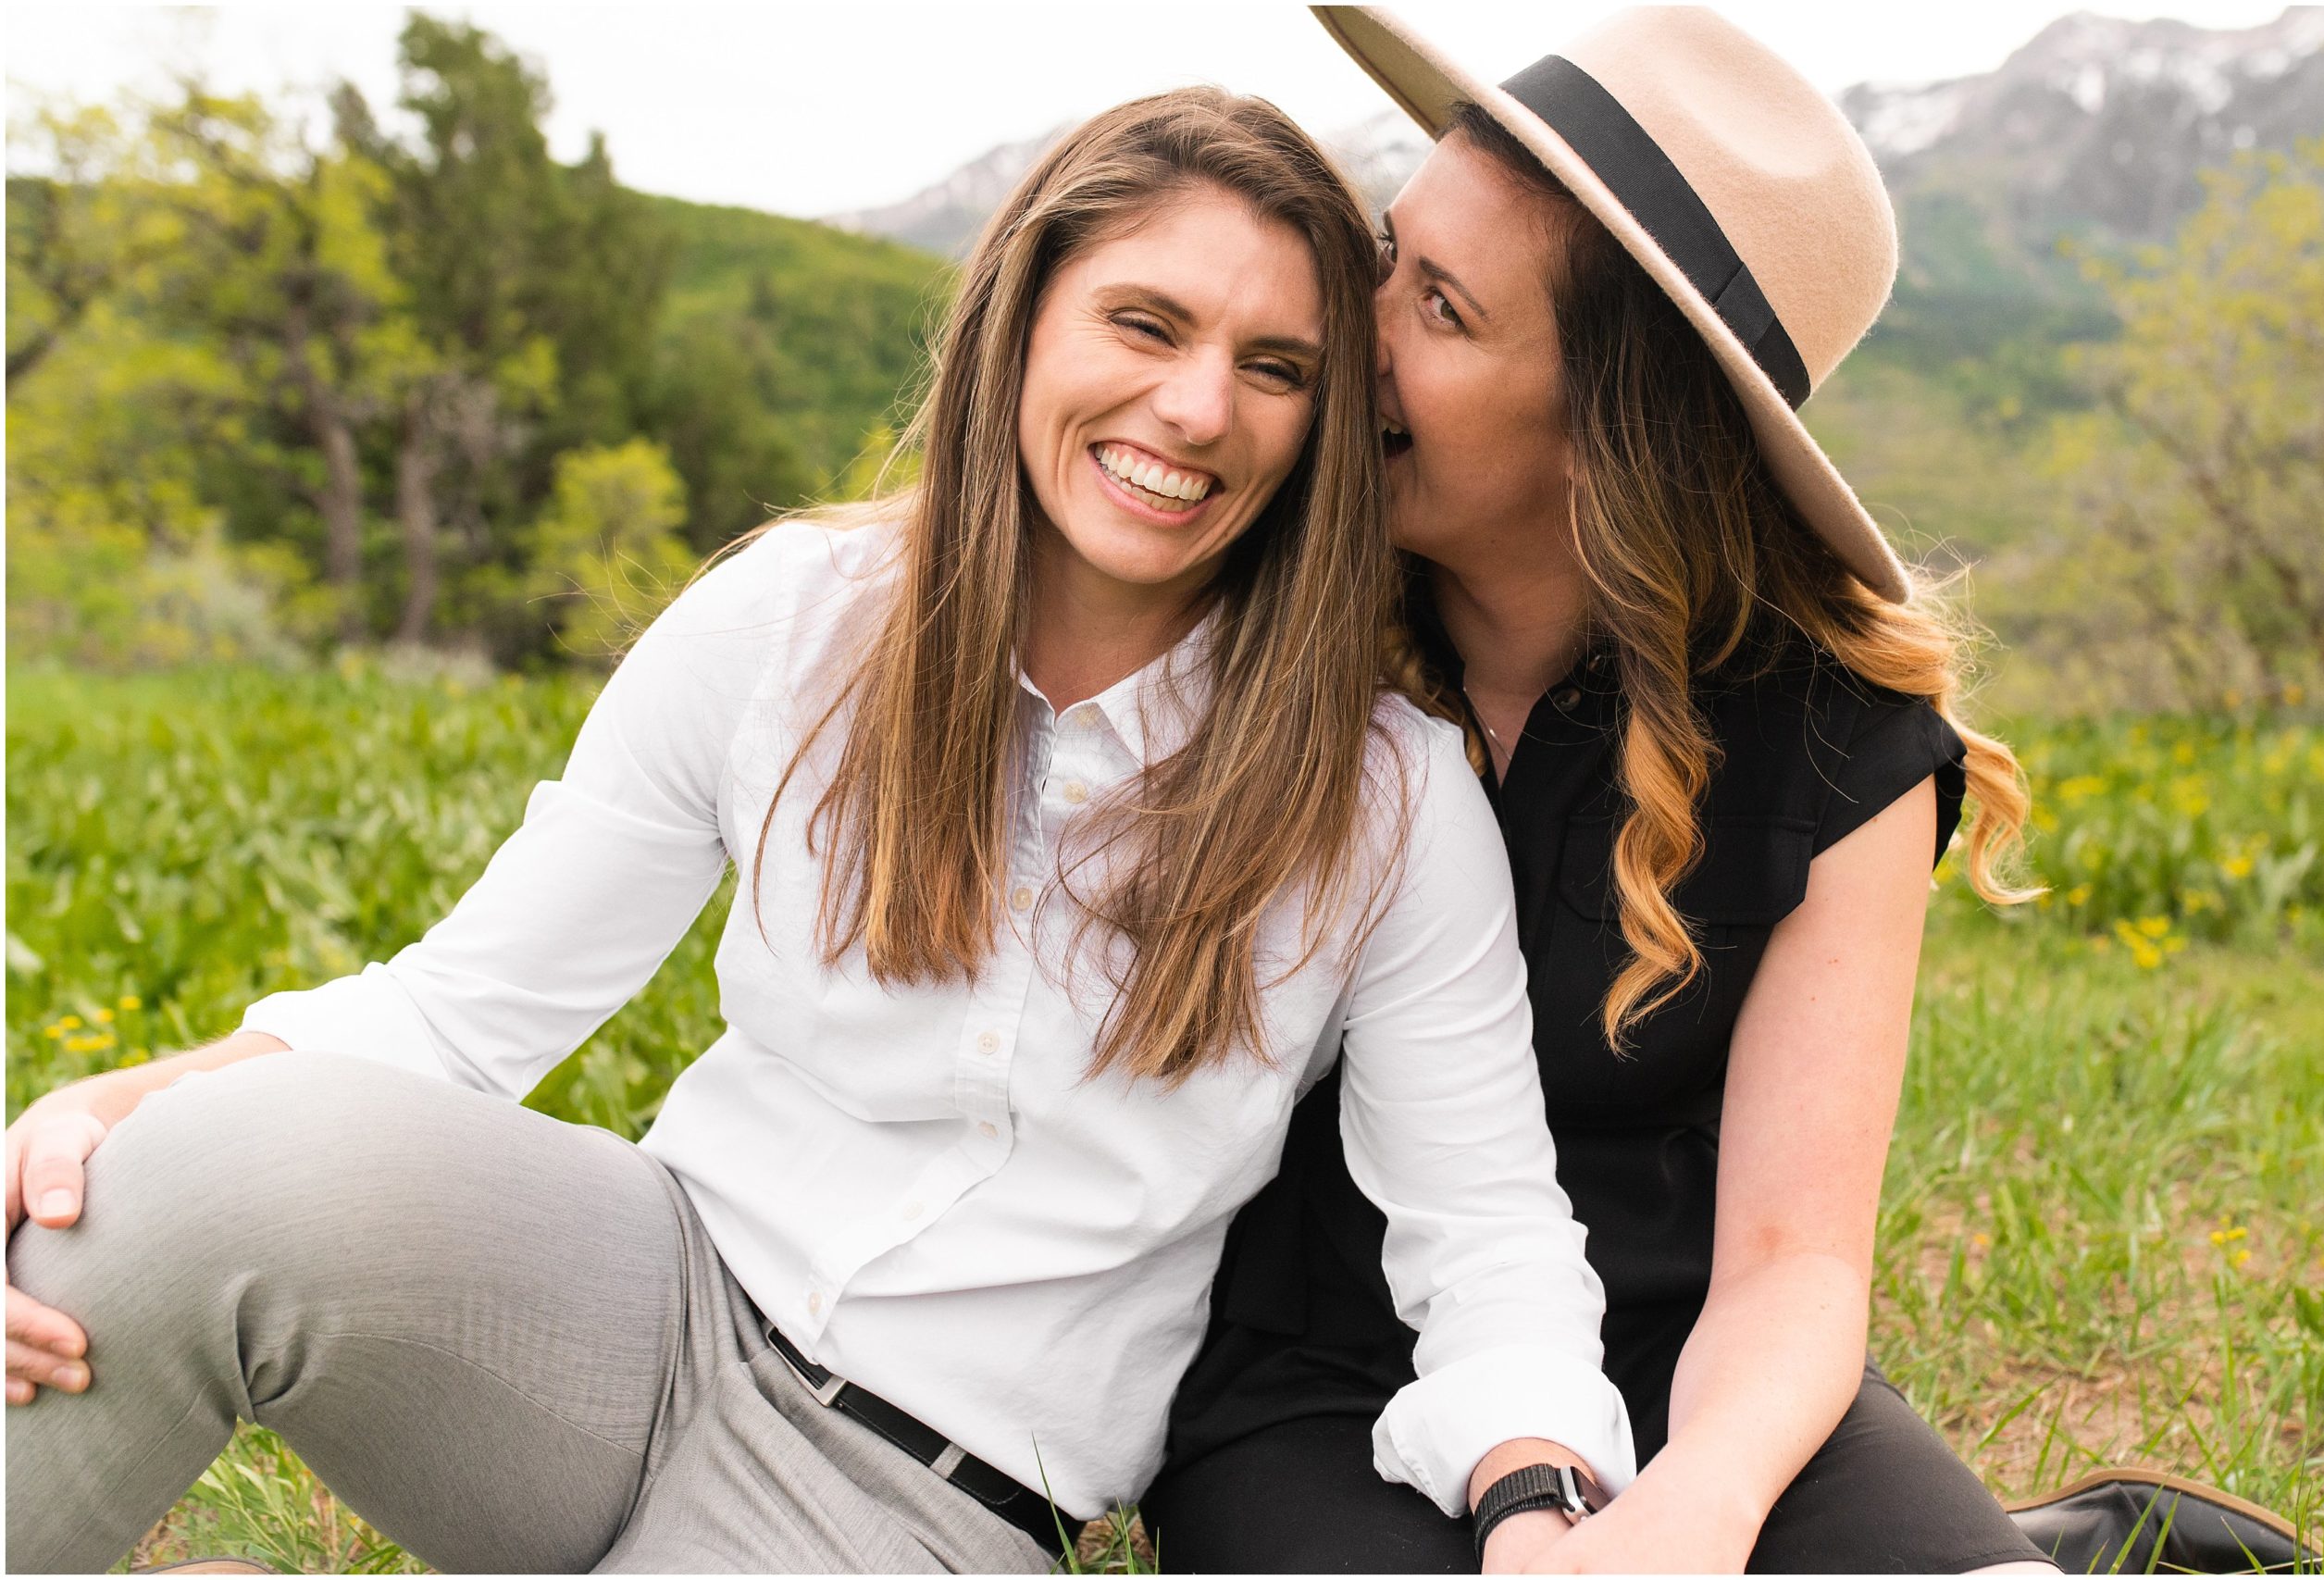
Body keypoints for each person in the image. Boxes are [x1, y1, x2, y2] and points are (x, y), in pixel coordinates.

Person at [5, 89, 1639, 1574]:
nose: (1198, 408)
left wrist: (1540, 1499)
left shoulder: (1384, 798)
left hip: (923, 1488)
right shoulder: (795, 616)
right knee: (156, 1195)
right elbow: (459, 1014)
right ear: (1022, 325)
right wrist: (103, 1114)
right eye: (1143, 323)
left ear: (1319, 426)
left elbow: (1486, 1231)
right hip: (632, 1305)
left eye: (1275, 368)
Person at [1143, 9, 2064, 1574]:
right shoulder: (1239, 617)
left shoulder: (1835, 740)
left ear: (1613, 433)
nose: (1353, 328)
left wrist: (1701, 1506)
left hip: (1687, 1369)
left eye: (1437, 307)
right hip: (1317, 1385)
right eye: (1388, 253)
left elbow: (1789, 1263)